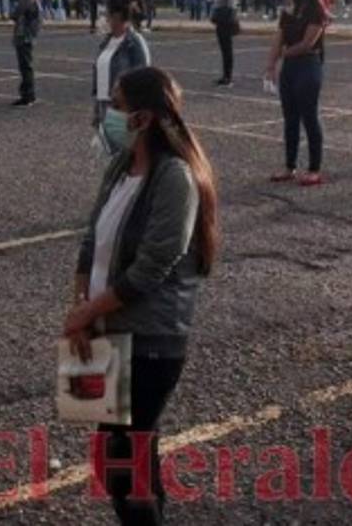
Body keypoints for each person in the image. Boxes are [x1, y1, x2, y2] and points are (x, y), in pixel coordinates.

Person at [69, 66, 220, 526]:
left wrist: (87, 313)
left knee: (119, 461)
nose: (108, 113)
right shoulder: (121, 166)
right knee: (131, 457)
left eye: (116, 105)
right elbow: (92, 240)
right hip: (107, 327)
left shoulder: (174, 177)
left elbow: (154, 265)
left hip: (149, 341)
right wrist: (81, 305)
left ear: (144, 117)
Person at [264, 0, 329, 187]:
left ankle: (314, 169)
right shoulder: (289, 11)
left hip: (308, 65)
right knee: (290, 118)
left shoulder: (317, 12)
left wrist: (285, 53)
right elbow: (278, 38)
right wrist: (271, 64)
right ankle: (289, 166)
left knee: (309, 117)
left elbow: (308, 43)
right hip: (290, 67)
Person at [92, 0, 151, 136]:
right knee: (105, 146)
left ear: (117, 16)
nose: (105, 18)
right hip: (104, 104)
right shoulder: (107, 41)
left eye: (107, 14)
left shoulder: (134, 42)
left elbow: (144, 77)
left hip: (124, 108)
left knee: (123, 145)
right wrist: (97, 109)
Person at [10, 0, 41, 107]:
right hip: (24, 33)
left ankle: (29, 96)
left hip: (25, 34)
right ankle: (26, 95)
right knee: (24, 66)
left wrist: (12, 15)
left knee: (26, 66)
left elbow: (18, 12)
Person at [211, 0, 244, 88]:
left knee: (227, 51)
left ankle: (228, 77)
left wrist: (223, 16)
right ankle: (225, 76)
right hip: (221, 21)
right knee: (225, 51)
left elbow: (231, 7)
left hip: (226, 22)